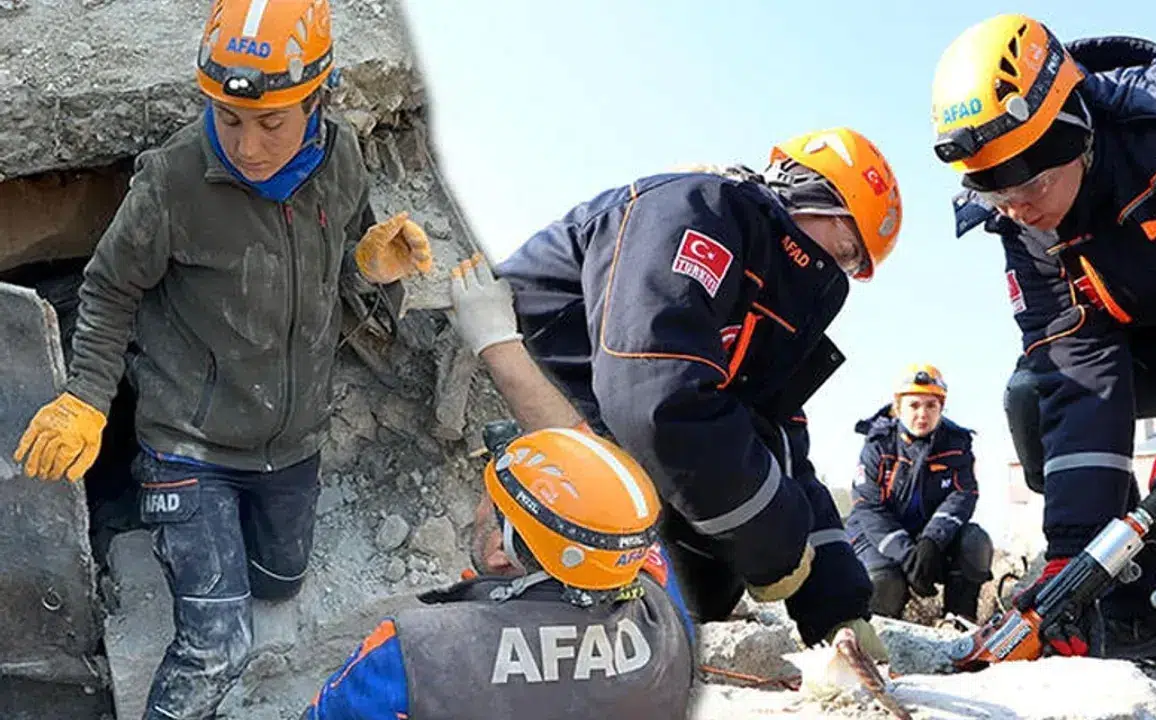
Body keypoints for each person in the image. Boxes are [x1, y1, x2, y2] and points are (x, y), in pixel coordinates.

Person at [11, 1, 433, 716]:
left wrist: (365, 263)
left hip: (290, 440)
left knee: (279, 583)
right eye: (229, 118)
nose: (248, 144)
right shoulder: (174, 182)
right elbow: (110, 287)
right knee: (218, 646)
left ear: (317, 97)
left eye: (272, 122)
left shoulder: (343, 162)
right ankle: (160, 522)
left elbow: (331, 272)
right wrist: (87, 395)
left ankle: (198, 548)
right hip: (190, 444)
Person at [928, 13, 1156, 662]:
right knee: (1035, 395)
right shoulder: (1021, 224)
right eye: (997, 198)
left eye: (1030, 186)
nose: (1020, 211)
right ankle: (1146, 616)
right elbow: (1076, 364)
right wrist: (1073, 552)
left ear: (1074, 133)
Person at [494, 128, 904, 652]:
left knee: (706, 580)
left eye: (852, 267)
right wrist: (773, 541)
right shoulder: (692, 210)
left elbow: (782, 446)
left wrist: (838, 609)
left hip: (604, 439)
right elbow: (651, 393)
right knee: (721, 525)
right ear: (807, 197)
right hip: (525, 403)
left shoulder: (769, 313)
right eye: (846, 250)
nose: (839, 272)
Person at [302, 257, 695, 719]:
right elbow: (599, 480)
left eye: (491, 498)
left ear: (500, 553)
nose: (480, 503)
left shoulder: (415, 656)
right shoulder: (662, 621)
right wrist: (497, 343)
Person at [846, 364, 992, 623]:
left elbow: (963, 494)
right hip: (878, 538)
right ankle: (883, 641)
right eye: (914, 405)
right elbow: (868, 507)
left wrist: (932, 542)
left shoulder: (957, 444)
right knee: (884, 583)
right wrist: (907, 554)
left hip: (929, 538)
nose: (922, 414)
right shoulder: (877, 445)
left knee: (975, 543)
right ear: (898, 407)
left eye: (931, 405)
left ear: (941, 408)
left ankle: (959, 624)